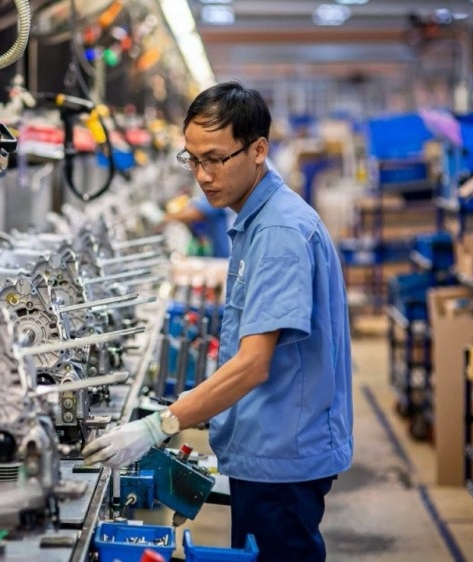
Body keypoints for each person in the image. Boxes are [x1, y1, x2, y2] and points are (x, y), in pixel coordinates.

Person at [81, 81, 353, 562]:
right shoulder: (255, 219)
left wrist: (159, 426)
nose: (203, 176)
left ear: (258, 150)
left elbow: (253, 365)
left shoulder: (279, 232)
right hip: (267, 447)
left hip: (281, 459)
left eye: (215, 159)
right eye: (192, 160)